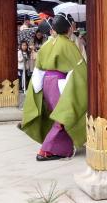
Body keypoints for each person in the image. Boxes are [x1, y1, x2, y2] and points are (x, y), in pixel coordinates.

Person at [21, 13, 87, 161]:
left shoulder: (46, 45)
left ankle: (62, 148)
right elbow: (79, 68)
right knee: (63, 116)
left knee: (57, 115)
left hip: (46, 82)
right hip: (61, 83)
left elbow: (38, 69)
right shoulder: (68, 44)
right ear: (68, 28)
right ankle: (47, 150)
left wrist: (36, 90)